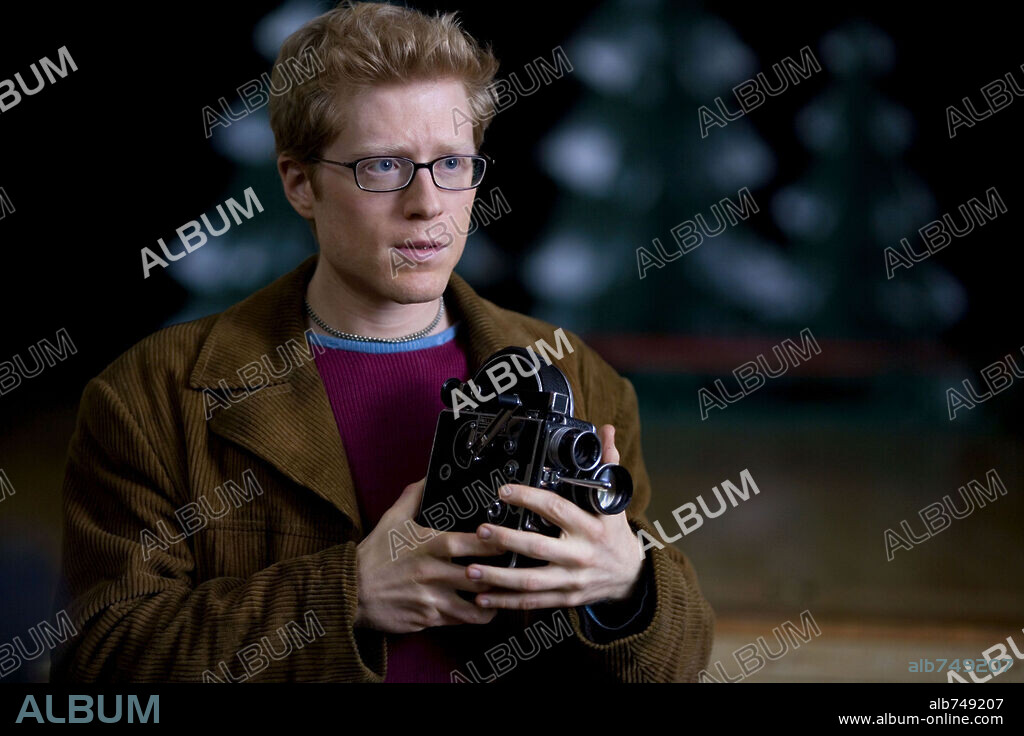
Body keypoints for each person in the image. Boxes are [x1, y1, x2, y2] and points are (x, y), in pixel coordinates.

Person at [50, 0, 713, 683]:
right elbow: (100, 665)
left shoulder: (581, 378)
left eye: (452, 163)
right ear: (300, 183)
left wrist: (628, 587)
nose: (427, 203)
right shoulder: (152, 394)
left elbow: (672, 668)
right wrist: (349, 595)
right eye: (383, 167)